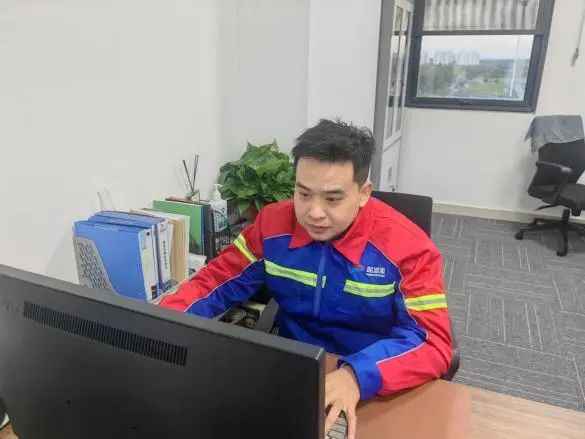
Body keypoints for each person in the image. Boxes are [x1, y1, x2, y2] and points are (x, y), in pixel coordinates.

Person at [160, 119, 452, 439]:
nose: (314, 213)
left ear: (363, 193)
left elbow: (432, 342)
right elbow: (214, 281)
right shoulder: (273, 224)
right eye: (303, 193)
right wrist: (157, 325)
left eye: (332, 199)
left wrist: (356, 375)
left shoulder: (408, 247)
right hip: (292, 369)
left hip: (372, 379)